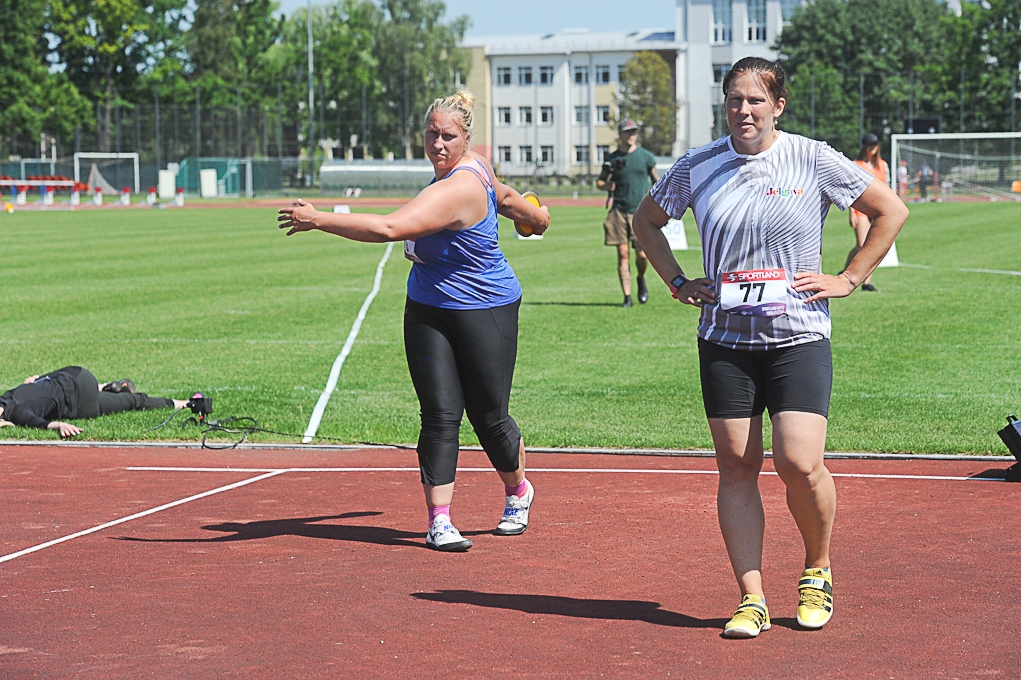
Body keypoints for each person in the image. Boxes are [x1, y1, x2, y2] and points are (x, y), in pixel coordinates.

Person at [631, 57, 908, 638]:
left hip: (798, 335)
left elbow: (890, 210)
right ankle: (750, 597)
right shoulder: (698, 165)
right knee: (736, 466)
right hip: (725, 340)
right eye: (734, 99)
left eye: (756, 100)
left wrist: (848, 278)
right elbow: (646, 222)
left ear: (777, 105)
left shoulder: (812, 157)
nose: (744, 111)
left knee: (799, 461)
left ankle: (817, 568)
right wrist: (678, 282)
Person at [278, 91, 549, 552]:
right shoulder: (457, 174)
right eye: (432, 134)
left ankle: (518, 490)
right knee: (440, 414)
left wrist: (319, 219)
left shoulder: (461, 184)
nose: (439, 144)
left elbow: (389, 229)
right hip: (427, 307)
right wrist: (536, 218)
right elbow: (505, 197)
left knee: (489, 418)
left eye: (449, 136)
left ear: (466, 139)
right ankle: (439, 520)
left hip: (486, 309)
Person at [0, 366, 188, 437]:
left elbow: (36, 421)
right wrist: (58, 425)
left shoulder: (15, 411)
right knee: (41, 381)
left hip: (81, 402)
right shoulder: (8, 399)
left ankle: (183, 403)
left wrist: (58, 425)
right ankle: (106, 386)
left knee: (131, 402)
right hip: (76, 375)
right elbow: (38, 421)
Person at [596, 119, 659, 307]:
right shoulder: (611, 158)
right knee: (623, 254)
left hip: (640, 213)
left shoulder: (646, 157)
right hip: (618, 211)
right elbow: (599, 182)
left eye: (634, 132)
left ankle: (640, 278)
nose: (631, 135)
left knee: (642, 255)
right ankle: (627, 297)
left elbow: (658, 182)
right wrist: (607, 185)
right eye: (627, 132)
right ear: (620, 134)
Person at [844, 133, 890, 292]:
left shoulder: (882, 165)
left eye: (875, 145)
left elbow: (886, 188)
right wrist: (851, 212)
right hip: (861, 209)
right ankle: (846, 271)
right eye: (870, 145)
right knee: (861, 245)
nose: (873, 148)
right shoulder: (856, 164)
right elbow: (850, 190)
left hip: (877, 210)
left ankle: (866, 282)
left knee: (872, 246)